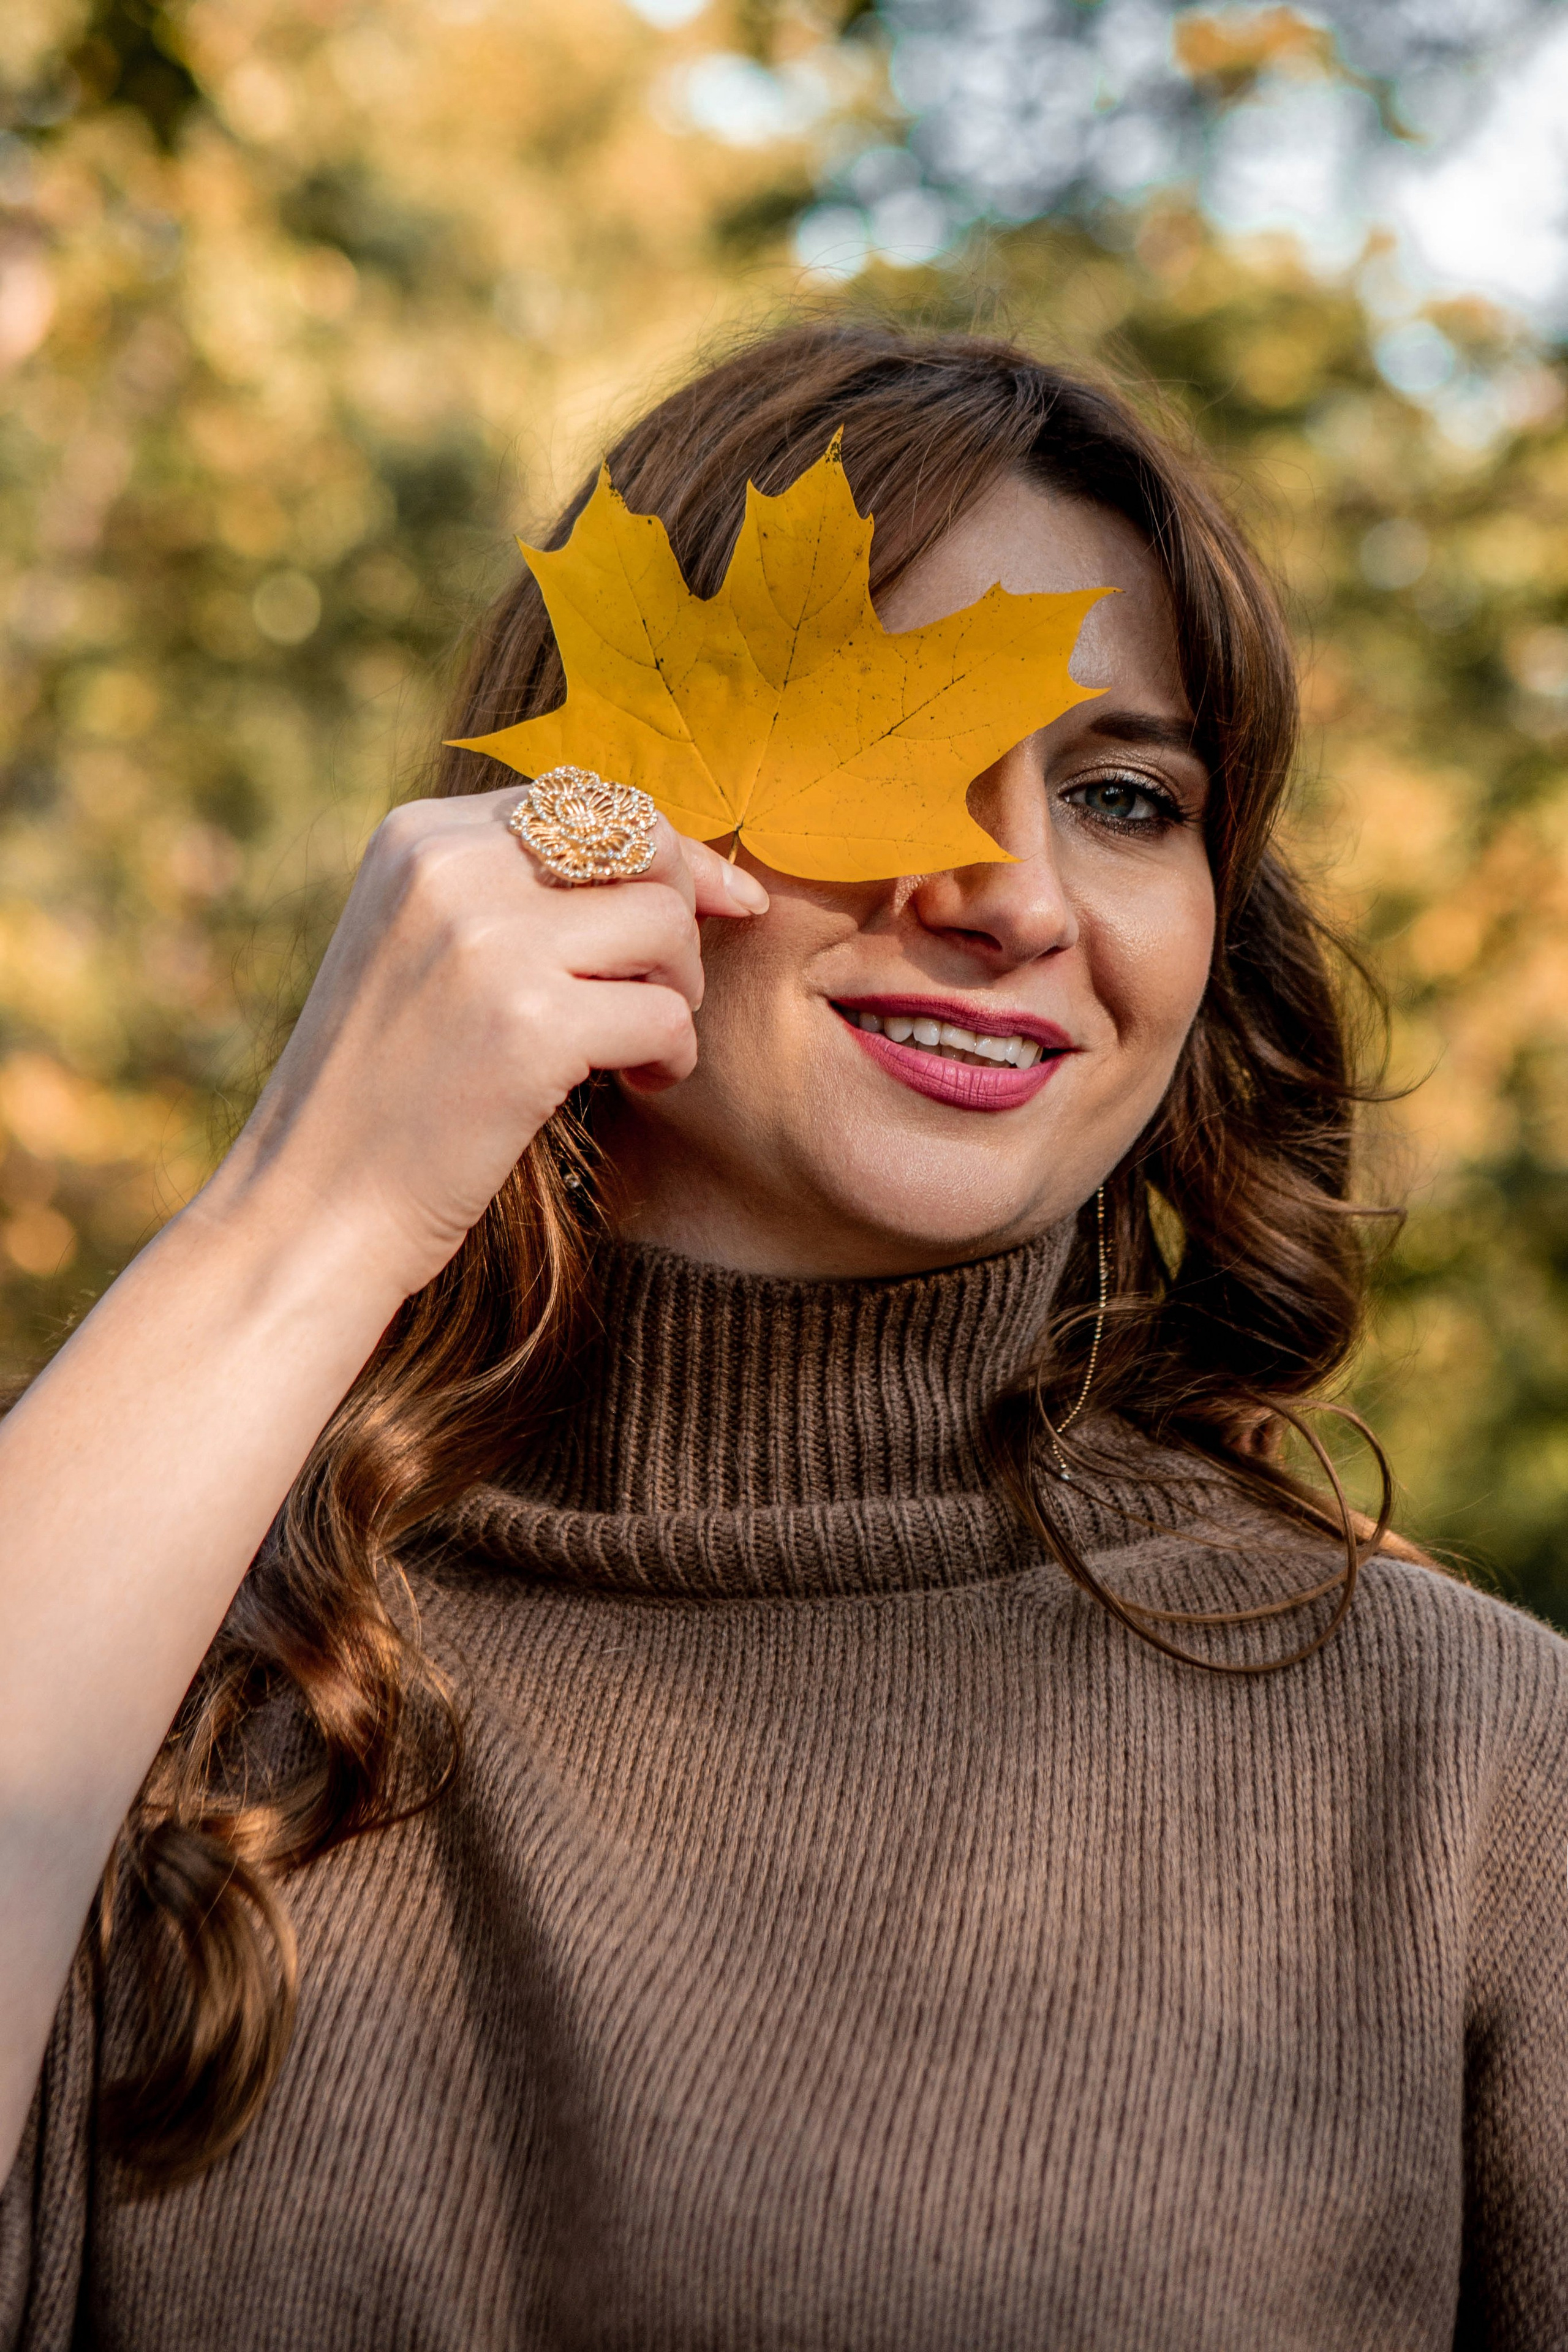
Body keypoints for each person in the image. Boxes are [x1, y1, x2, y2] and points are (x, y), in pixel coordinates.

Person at [1, 322, 1564, 2351]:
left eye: (1122, 793)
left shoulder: (1467, 1769)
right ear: (590, 808)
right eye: (887, 746)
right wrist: (304, 1220)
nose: (1010, 893)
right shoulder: (128, 1613)